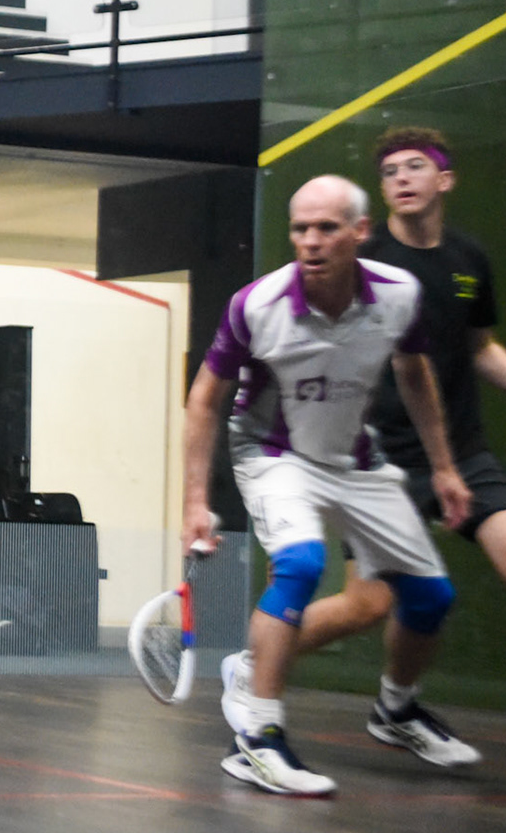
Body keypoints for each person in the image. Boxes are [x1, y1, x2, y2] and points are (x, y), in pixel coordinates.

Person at [228, 129, 506, 770]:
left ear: (444, 180)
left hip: (459, 449)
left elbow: (479, 348)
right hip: (377, 456)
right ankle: (257, 667)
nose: (401, 178)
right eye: (390, 170)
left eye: (415, 166)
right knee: (368, 605)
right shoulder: (358, 258)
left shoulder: (467, 259)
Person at [183, 174, 471, 797]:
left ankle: (396, 710)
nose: (310, 241)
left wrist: (445, 467)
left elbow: (415, 374)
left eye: (326, 228)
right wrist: (195, 503)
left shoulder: (399, 294)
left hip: (354, 458)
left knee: (430, 597)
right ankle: (257, 739)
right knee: (301, 564)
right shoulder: (257, 305)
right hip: (273, 453)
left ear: (360, 231)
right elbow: (204, 399)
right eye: (300, 229)